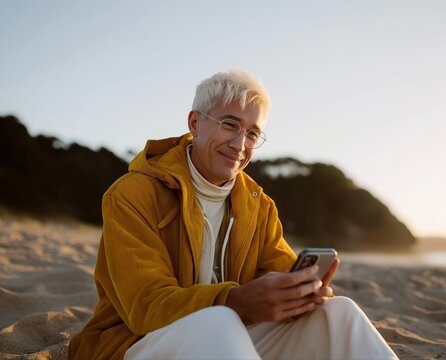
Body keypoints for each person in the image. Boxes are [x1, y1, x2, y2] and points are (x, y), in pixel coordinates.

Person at [68, 69, 398, 360]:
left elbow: (279, 271)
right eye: (229, 125)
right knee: (218, 320)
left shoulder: (258, 205)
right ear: (195, 123)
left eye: (253, 133)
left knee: (339, 312)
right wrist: (234, 300)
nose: (240, 143)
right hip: (135, 344)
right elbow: (146, 306)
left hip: (231, 341)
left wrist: (301, 295)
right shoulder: (131, 194)